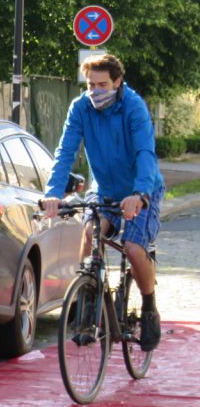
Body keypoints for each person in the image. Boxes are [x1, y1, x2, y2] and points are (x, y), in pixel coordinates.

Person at [41, 53, 164, 352]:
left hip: (140, 190)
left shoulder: (133, 106)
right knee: (88, 236)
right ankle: (88, 306)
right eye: (90, 85)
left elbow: (145, 152)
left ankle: (149, 308)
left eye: (103, 84)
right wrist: (54, 192)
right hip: (105, 189)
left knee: (134, 249)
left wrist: (141, 194)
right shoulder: (81, 107)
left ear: (117, 82)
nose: (96, 91)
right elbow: (65, 151)